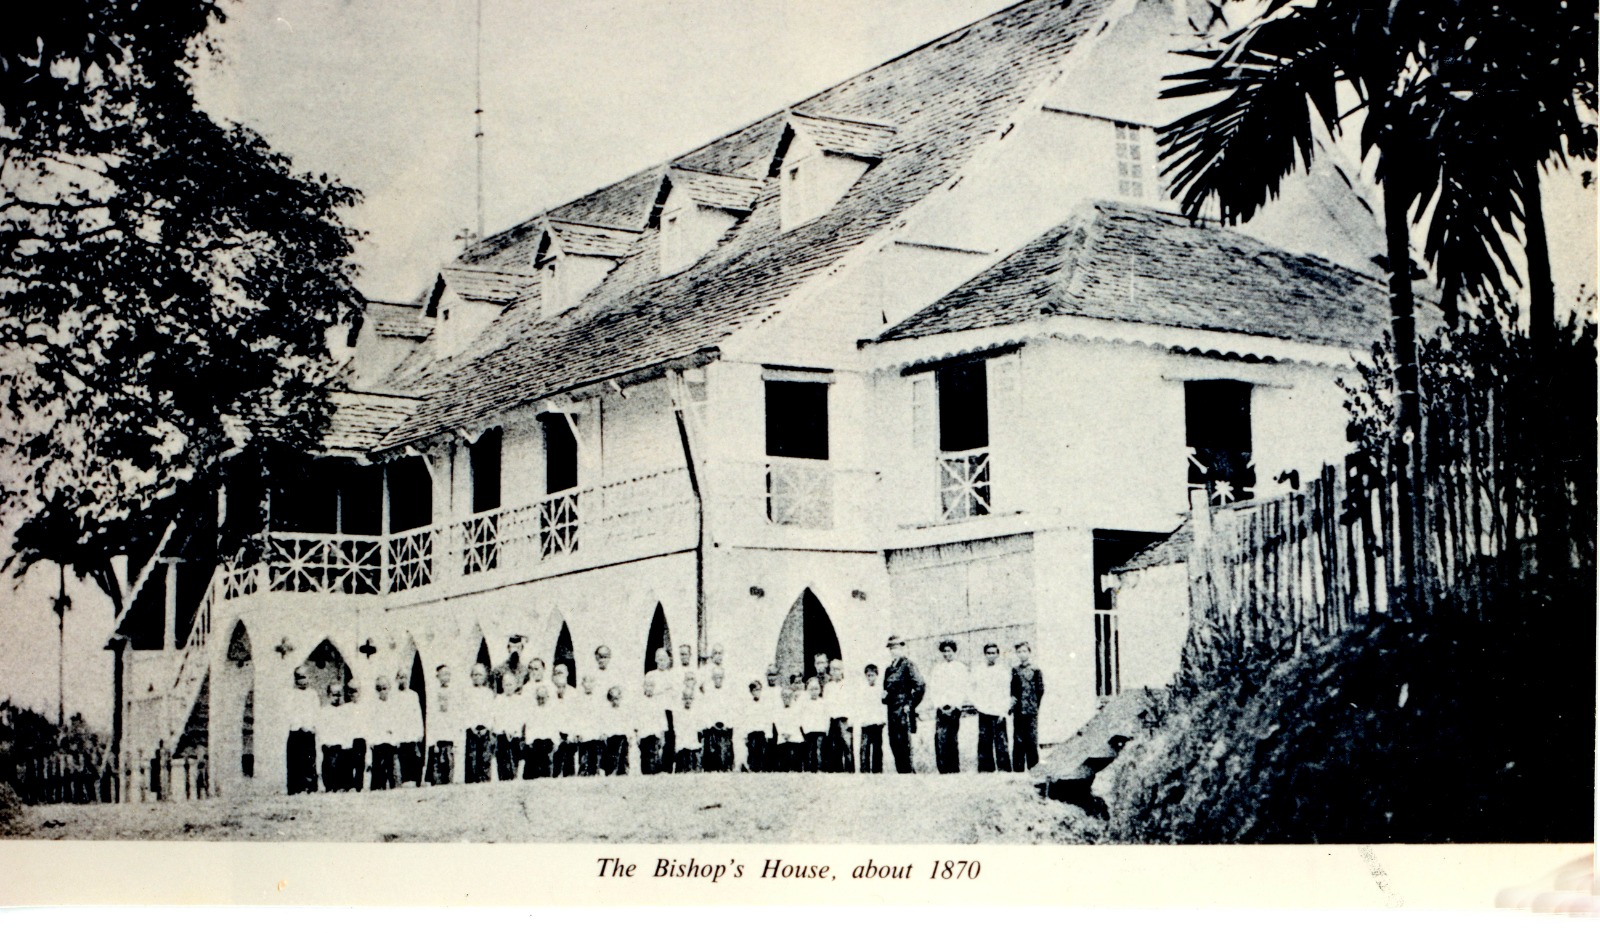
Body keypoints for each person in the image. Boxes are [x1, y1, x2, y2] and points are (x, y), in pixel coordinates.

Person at [925, 640, 970, 774]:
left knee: (952, 738)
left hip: (954, 709)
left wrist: (955, 706)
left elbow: (963, 688)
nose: (946, 654)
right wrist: (939, 705)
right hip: (941, 709)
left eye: (949, 651)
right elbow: (934, 689)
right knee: (940, 738)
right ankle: (943, 769)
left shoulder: (960, 668)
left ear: (954, 652)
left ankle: (954, 769)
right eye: (944, 651)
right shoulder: (937, 669)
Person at [881, 635, 924, 774]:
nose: (894, 651)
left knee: (905, 743)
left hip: (903, 711)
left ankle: (909, 774)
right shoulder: (889, 669)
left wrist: (910, 705)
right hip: (891, 711)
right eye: (891, 648)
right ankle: (901, 774)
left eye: (897, 647)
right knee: (894, 743)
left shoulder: (908, 665)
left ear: (902, 648)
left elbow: (920, 686)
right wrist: (884, 697)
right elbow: (886, 691)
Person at [972, 643, 1014, 773]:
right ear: (985, 655)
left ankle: (1004, 769)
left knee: (1001, 740)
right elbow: (972, 688)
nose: (991, 655)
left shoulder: (1003, 671)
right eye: (988, 653)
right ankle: (985, 769)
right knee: (984, 740)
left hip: (998, 710)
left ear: (997, 654)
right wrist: (978, 704)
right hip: (984, 710)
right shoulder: (978, 670)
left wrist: (1004, 710)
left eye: (993, 653)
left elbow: (1006, 691)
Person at [1011, 641, 1046, 772]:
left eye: (1024, 651)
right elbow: (1013, 690)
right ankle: (1018, 769)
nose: (1022, 654)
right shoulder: (1015, 670)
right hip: (1018, 711)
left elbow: (1040, 690)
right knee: (1018, 740)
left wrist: (1034, 705)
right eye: (1019, 652)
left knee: (1031, 740)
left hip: (1031, 710)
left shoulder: (1036, 670)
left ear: (1029, 652)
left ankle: (1034, 769)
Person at [286, 667, 320, 795]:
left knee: (309, 760)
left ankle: (310, 787)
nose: (302, 680)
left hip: (308, 732)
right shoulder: (291, 694)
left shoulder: (312, 694)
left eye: (304, 677)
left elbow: (315, 713)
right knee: (295, 760)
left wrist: (310, 726)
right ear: (295, 679)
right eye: (299, 677)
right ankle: (295, 787)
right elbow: (290, 712)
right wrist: (299, 725)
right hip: (296, 731)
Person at [491, 667, 526, 781]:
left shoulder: (519, 700)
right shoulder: (499, 700)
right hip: (502, 735)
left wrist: (514, 730)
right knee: (503, 760)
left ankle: (514, 777)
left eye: (511, 684)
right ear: (502, 685)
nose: (508, 687)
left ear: (516, 685)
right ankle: (503, 779)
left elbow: (520, 718)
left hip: (515, 735)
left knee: (514, 759)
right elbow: (496, 717)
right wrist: (504, 730)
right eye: (506, 684)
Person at [463, 663, 495, 784]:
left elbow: (491, 712)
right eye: (475, 674)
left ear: (485, 676)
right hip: (472, 730)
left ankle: (485, 781)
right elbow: (466, 712)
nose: (477, 677)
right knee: (472, 759)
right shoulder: (467, 693)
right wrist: (472, 727)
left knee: (485, 759)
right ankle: (471, 782)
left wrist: (486, 727)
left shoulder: (488, 693)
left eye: (480, 674)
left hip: (485, 730)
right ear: (471, 676)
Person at [699, 666, 735, 772]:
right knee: (712, 756)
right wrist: (711, 725)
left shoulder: (727, 693)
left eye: (720, 677)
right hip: (712, 731)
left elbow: (730, 711)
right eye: (716, 677)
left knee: (724, 755)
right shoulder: (708, 693)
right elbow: (706, 712)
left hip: (724, 730)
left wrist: (726, 725)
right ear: (712, 678)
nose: (718, 679)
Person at [393, 667, 425, 787]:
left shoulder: (413, 695)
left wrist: (419, 733)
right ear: (396, 679)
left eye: (405, 677)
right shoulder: (394, 696)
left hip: (412, 734)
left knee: (414, 759)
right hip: (400, 735)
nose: (403, 680)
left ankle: (415, 781)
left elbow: (417, 714)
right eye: (400, 677)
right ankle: (404, 781)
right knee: (402, 759)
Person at [368, 676, 401, 791]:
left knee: (391, 766)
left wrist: (396, 737)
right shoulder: (374, 706)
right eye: (379, 689)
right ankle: (378, 787)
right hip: (378, 740)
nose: (382, 691)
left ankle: (394, 787)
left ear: (389, 688)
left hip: (390, 740)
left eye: (384, 688)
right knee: (378, 766)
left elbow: (397, 722)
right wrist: (371, 740)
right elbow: (371, 723)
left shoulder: (394, 705)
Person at [427, 664, 457, 785]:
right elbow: (432, 718)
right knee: (437, 766)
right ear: (437, 676)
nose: (446, 676)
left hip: (449, 737)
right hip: (437, 738)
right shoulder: (434, 693)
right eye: (443, 674)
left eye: (448, 674)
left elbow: (455, 717)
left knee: (449, 765)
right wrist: (433, 741)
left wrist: (456, 741)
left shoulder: (453, 693)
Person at [824, 660, 855, 773]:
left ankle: (849, 771)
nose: (835, 672)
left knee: (847, 746)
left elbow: (851, 704)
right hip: (833, 719)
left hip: (844, 719)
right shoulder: (828, 687)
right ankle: (837, 771)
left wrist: (850, 721)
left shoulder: (847, 685)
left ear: (842, 670)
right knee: (834, 747)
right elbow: (826, 706)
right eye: (832, 669)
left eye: (837, 669)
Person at [635, 676, 669, 775]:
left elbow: (662, 720)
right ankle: (646, 773)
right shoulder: (640, 702)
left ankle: (655, 772)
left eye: (651, 686)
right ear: (644, 687)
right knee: (645, 755)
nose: (649, 688)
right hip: (644, 734)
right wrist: (637, 735)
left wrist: (662, 736)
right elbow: (637, 719)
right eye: (647, 686)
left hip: (655, 733)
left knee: (655, 754)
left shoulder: (658, 701)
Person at [856, 663, 886, 774]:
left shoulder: (880, 690)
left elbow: (883, 706)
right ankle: (864, 770)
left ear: (877, 676)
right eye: (868, 675)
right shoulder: (862, 691)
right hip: (866, 723)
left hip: (877, 724)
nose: (870, 678)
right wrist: (861, 720)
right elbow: (860, 707)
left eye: (872, 675)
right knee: (864, 747)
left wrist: (882, 720)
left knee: (877, 748)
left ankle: (877, 771)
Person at [340, 682, 368, 792]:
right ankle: (349, 785)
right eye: (350, 691)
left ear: (360, 692)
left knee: (360, 764)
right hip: (349, 739)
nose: (353, 694)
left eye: (355, 691)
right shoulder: (345, 708)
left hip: (360, 739)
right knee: (348, 763)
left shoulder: (364, 708)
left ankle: (359, 786)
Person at [522, 685, 555, 779]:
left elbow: (554, 727)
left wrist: (555, 742)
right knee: (532, 760)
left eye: (543, 697)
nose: (541, 700)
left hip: (547, 742)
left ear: (547, 697)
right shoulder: (532, 710)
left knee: (545, 761)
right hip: (535, 742)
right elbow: (529, 728)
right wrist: (529, 742)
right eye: (539, 698)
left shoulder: (551, 711)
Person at [551, 664, 578, 777]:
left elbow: (576, 715)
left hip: (569, 733)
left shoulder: (574, 693)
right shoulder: (550, 692)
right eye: (556, 672)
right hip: (555, 733)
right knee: (555, 767)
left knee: (569, 767)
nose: (559, 675)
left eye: (561, 672)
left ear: (567, 674)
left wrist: (572, 733)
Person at [576, 676, 606, 776]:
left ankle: (595, 775)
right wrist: (578, 732)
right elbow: (576, 717)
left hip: (596, 734)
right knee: (584, 760)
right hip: (584, 734)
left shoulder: (599, 699)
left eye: (591, 682)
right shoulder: (578, 699)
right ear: (582, 684)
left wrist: (603, 731)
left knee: (595, 760)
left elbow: (603, 716)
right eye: (586, 682)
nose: (588, 685)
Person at [318, 681, 345, 792]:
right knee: (329, 765)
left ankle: (339, 786)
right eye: (334, 695)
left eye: (339, 694)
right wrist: (324, 741)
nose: (337, 698)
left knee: (341, 765)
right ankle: (329, 786)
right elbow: (321, 728)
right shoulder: (324, 711)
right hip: (329, 743)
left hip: (341, 743)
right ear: (328, 695)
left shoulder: (344, 710)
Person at [742, 680, 772, 773]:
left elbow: (767, 719)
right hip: (751, 732)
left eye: (759, 690)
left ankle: (760, 769)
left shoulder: (764, 704)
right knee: (752, 751)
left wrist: (768, 734)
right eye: (755, 690)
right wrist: (745, 735)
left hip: (761, 731)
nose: (757, 692)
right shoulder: (747, 705)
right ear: (751, 691)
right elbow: (745, 720)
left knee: (761, 751)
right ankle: (752, 767)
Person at [799, 677, 828, 772]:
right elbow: (802, 717)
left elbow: (826, 717)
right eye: (811, 689)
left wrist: (826, 729)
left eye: (816, 689)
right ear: (807, 690)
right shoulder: (805, 703)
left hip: (820, 730)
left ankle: (820, 769)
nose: (814, 692)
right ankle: (809, 770)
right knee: (809, 750)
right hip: (809, 730)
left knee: (819, 750)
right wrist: (804, 729)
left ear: (820, 689)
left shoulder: (823, 702)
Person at [601, 686, 630, 775]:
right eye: (612, 699)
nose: (615, 701)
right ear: (609, 699)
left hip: (622, 738)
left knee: (622, 760)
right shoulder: (606, 712)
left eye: (617, 698)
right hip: (610, 739)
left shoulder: (624, 711)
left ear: (620, 698)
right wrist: (604, 734)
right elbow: (603, 725)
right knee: (610, 761)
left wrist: (630, 737)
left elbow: (628, 725)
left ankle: (622, 773)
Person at [674, 684, 703, 773]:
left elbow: (699, 728)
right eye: (686, 698)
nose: (688, 701)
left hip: (693, 742)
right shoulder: (679, 713)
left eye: (690, 698)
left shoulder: (696, 712)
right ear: (682, 699)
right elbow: (678, 729)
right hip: (683, 743)